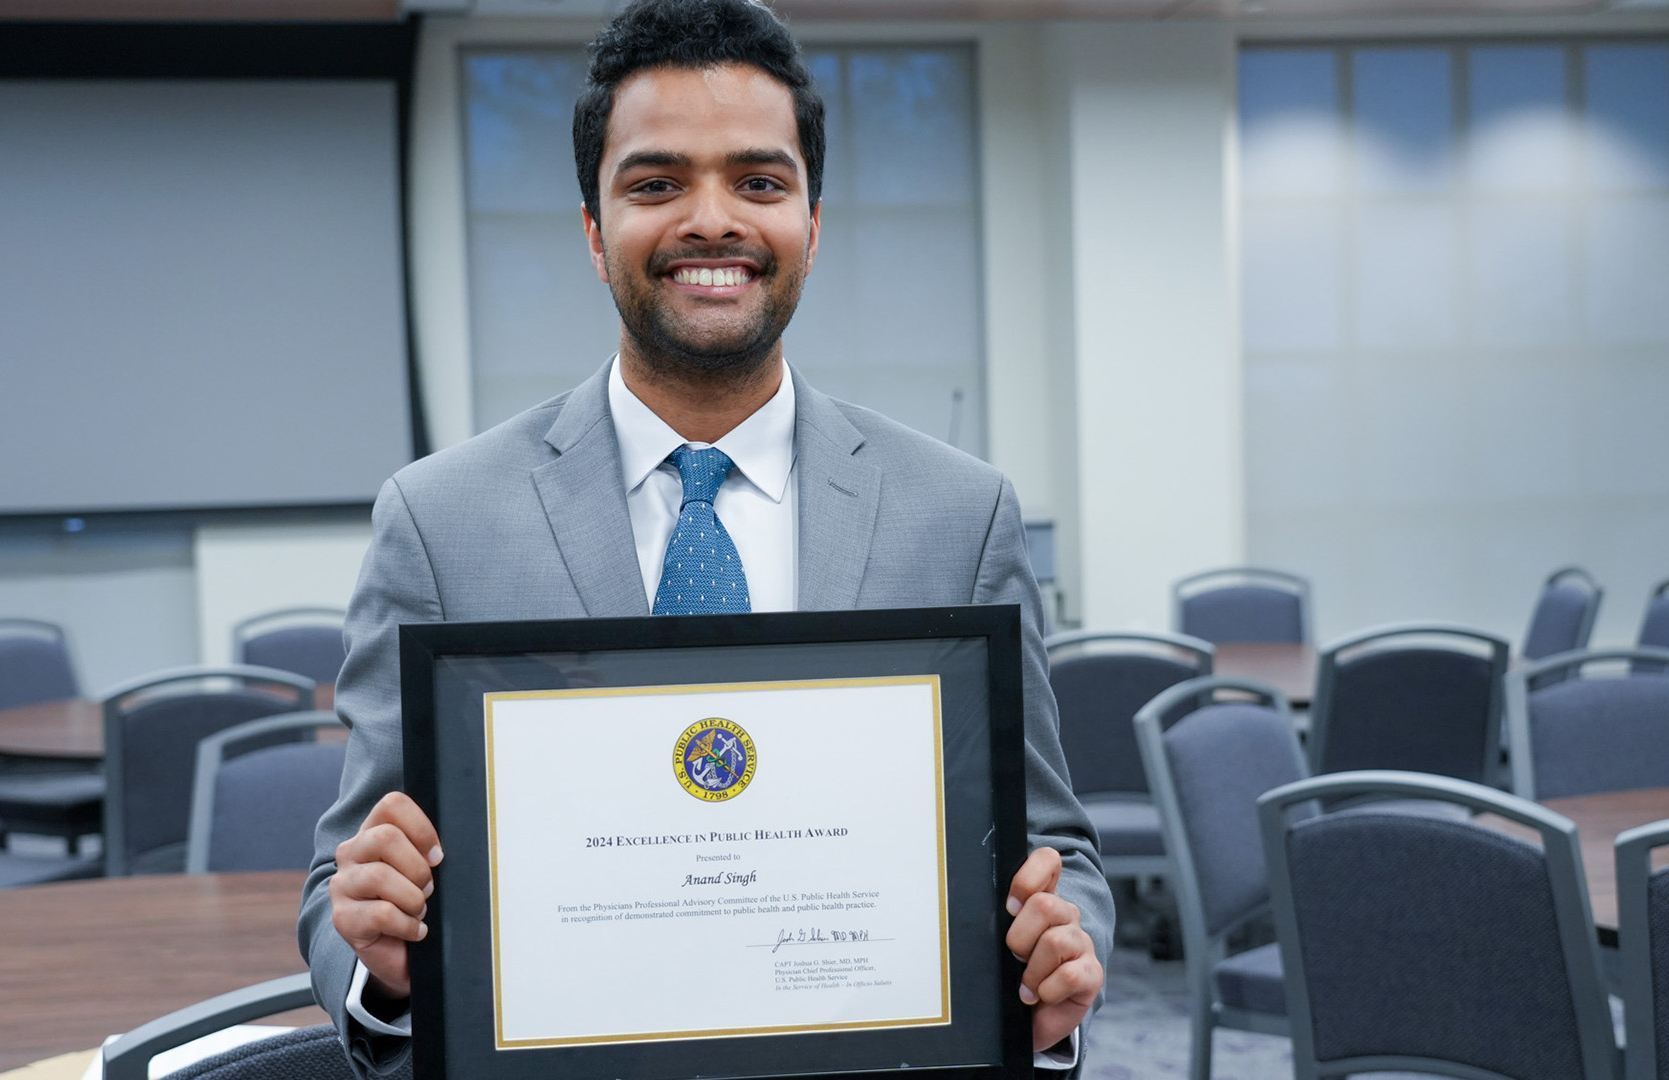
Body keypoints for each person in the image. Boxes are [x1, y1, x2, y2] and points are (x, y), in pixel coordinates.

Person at [298, 0, 1114, 1074]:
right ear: (595, 232)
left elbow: (1058, 849)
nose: (712, 220)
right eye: (656, 183)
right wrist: (376, 961)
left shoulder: (958, 515)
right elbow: (342, 881)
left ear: (812, 228)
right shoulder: (442, 521)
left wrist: (1059, 963)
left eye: (759, 182)